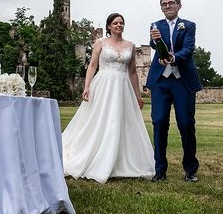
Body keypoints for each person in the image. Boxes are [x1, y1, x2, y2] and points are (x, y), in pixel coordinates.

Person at [62, 13, 155, 183]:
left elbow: (133, 72)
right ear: (109, 26)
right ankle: (96, 157)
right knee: (100, 120)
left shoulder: (131, 45)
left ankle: (121, 161)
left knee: (122, 121)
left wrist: (138, 95)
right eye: (115, 23)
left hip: (123, 87)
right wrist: (87, 86)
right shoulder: (100, 43)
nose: (119, 25)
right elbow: (92, 65)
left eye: (121, 23)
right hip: (103, 85)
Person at [146, 0, 202, 183]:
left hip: (182, 80)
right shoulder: (155, 25)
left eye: (171, 3)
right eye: (164, 4)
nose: (167, 6)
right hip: (161, 81)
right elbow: (154, 45)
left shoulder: (189, 25)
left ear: (179, 5)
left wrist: (173, 58)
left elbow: (188, 48)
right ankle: (160, 170)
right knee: (159, 122)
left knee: (186, 124)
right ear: (161, 8)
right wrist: (156, 41)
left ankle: (190, 169)